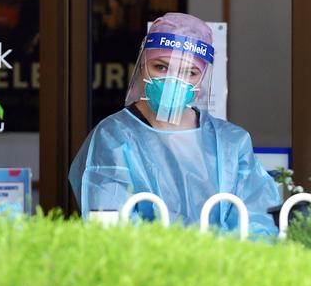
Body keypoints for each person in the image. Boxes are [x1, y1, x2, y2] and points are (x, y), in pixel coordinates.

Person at [69, 13, 280, 236]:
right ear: (142, 64)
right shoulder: (113, 138)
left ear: (202, 78)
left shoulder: (231, 143)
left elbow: (259, 224)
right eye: (161, 67)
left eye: (189, 72)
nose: (173, 80)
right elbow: (110, 227)